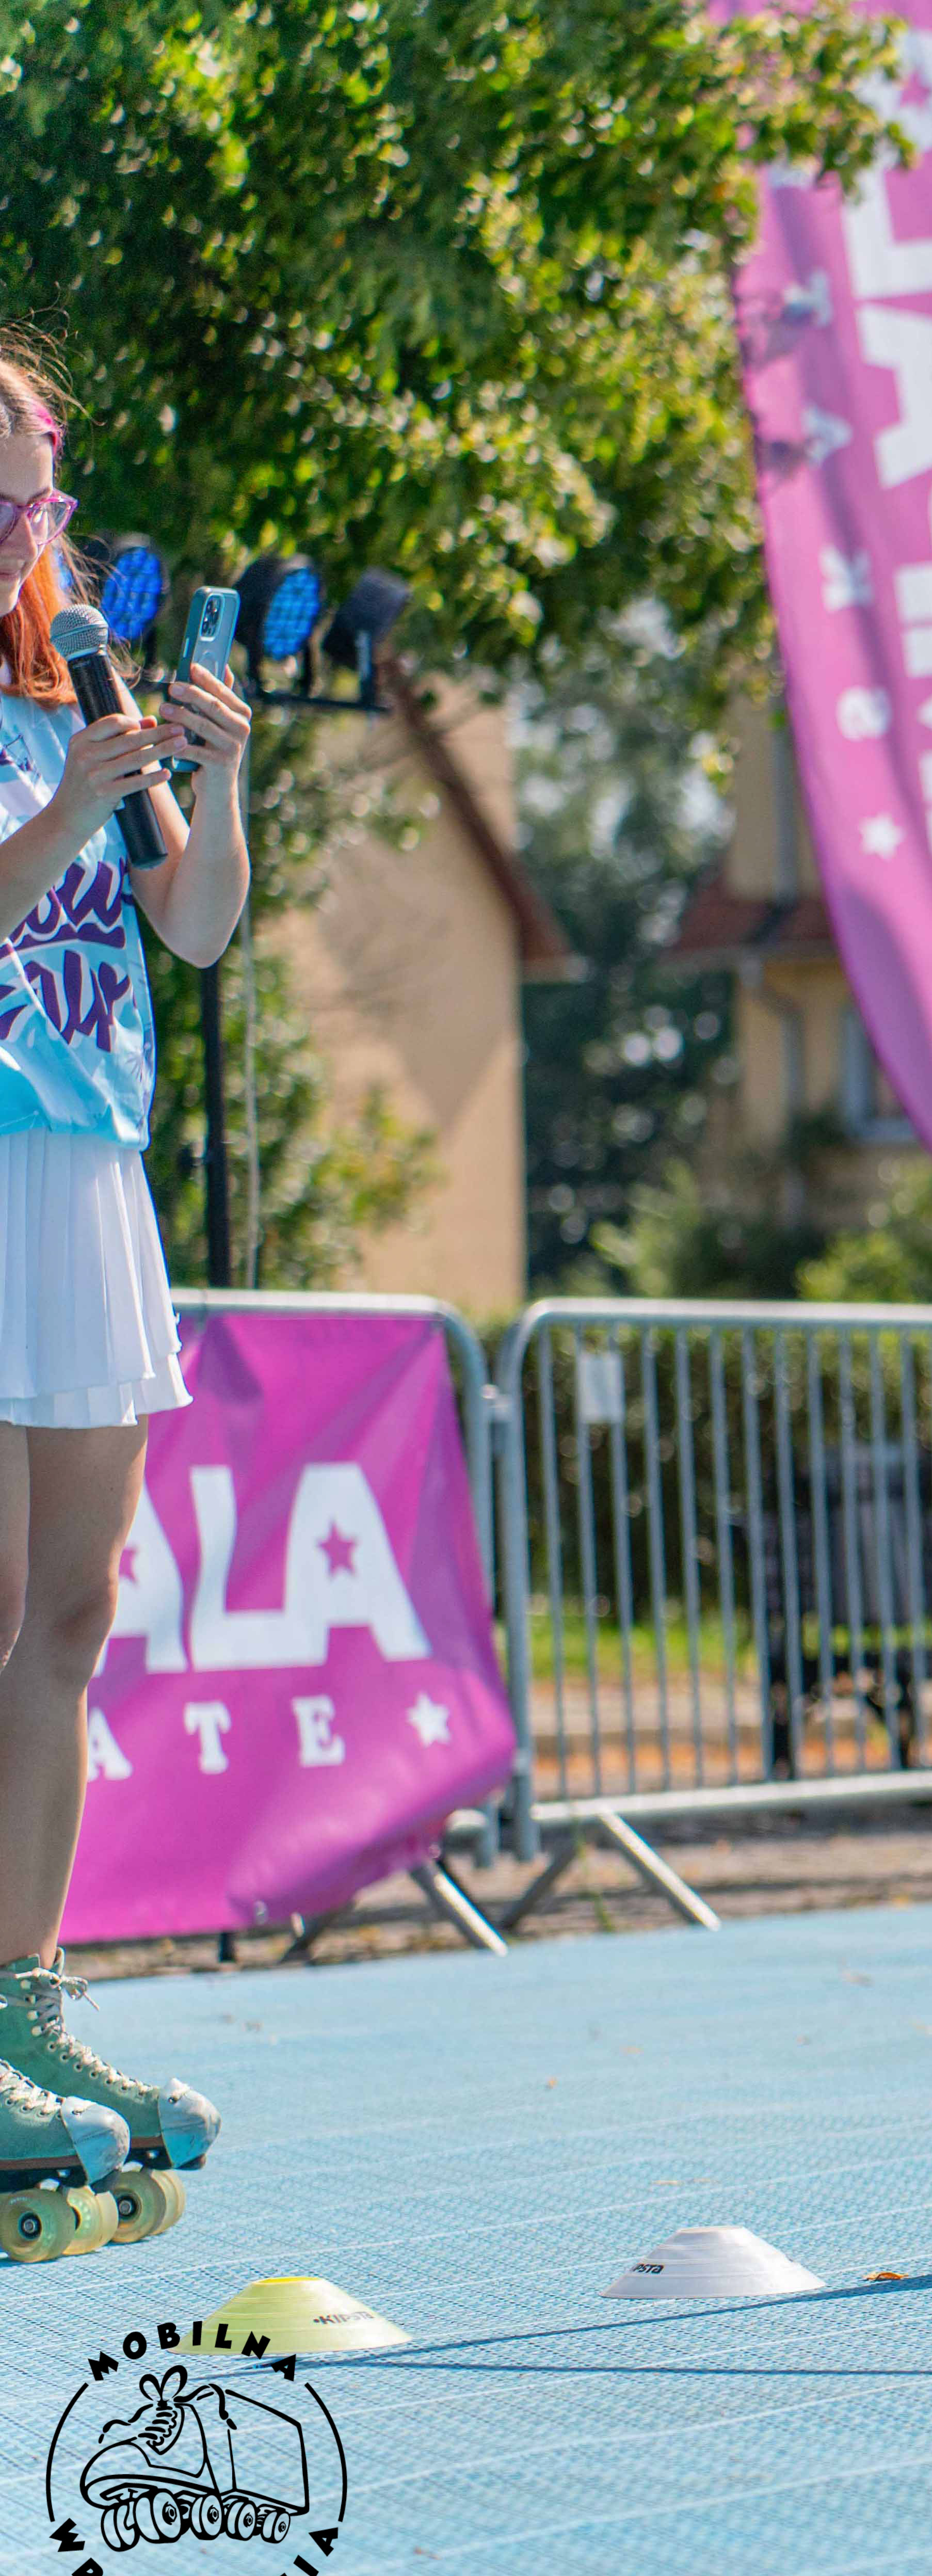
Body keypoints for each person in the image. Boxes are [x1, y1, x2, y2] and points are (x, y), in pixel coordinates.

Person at [0, 339, 237, 2247]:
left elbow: (201, 923)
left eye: (39, 480)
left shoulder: (65, 682)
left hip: (87, 1171)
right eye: (2, 482)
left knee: (68, 1612)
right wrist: (72, 805)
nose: (29, 517)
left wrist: (206, 786)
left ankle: (28, 2006)